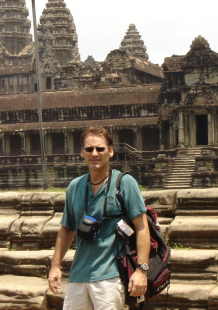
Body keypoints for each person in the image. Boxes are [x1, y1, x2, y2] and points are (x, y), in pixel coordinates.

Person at [47, 126, 150, 310]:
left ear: (110, 151)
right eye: (89, 149)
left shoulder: (124, 183)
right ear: (82, 153)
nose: (94, 153)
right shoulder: (75, 186)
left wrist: (141, 270)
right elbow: (67, 228)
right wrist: (55, 266)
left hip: (110, 277)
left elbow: (142, 227)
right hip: (78, 276)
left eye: (100, 149)